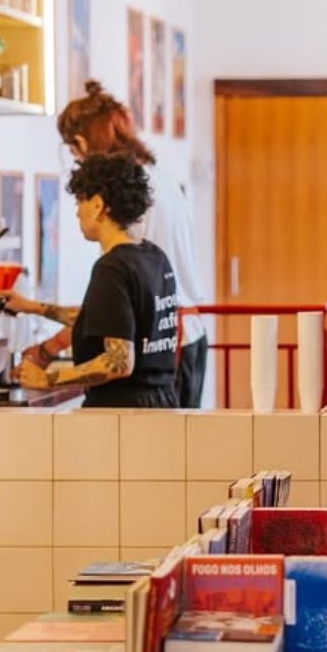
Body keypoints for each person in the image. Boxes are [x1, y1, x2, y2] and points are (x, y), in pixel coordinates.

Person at [22, 80, 209, 407]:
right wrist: (34, 313)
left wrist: (48, 359)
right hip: (182, 336)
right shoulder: (155, 177)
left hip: (160, 348)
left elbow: (122, 311)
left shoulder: (120, 255)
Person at [8, 154, 179, 408]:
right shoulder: (154, 257)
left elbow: (119, 362)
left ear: (98, 205)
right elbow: (110, 322)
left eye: (80, 201)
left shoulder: (112, 268)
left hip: (124, 414)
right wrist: (31, 307)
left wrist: (48, 379)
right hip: (162, 404)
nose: (77, 212)